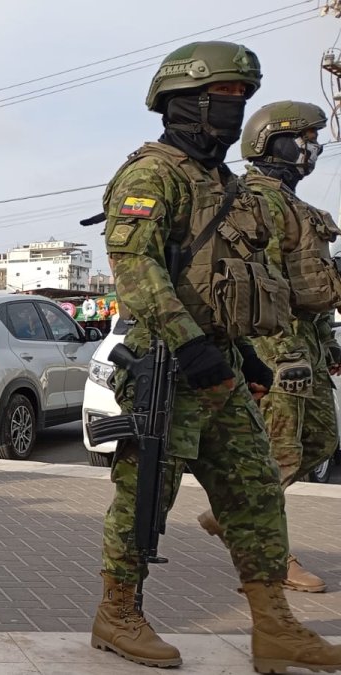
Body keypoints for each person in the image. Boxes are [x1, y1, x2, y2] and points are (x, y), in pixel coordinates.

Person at [93, 42, 341, 671]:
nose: (233, 114)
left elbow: (244, 276)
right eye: (222, 100)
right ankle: (117, 614)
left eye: (241, 101)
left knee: (256, 495)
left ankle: (274, 627)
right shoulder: (152, 175)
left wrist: (251, 360)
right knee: (145, 498)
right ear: (181, 104)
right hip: (167, 366)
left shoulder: (231, 186)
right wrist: (190, 344)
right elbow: (135, 269)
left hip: (222, 368)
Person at [196, 100, 341, 593]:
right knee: (276, 453)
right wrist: (283, 352)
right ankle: (272, 555)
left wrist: (326, 344)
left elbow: (309, 289)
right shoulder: (256, 199)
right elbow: (261, 284)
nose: (312, 148)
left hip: (308, 344)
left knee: (320, 442)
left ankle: (232, 512)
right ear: (272, 141)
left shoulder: (297, 205)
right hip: (278, 350)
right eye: (303, 138)